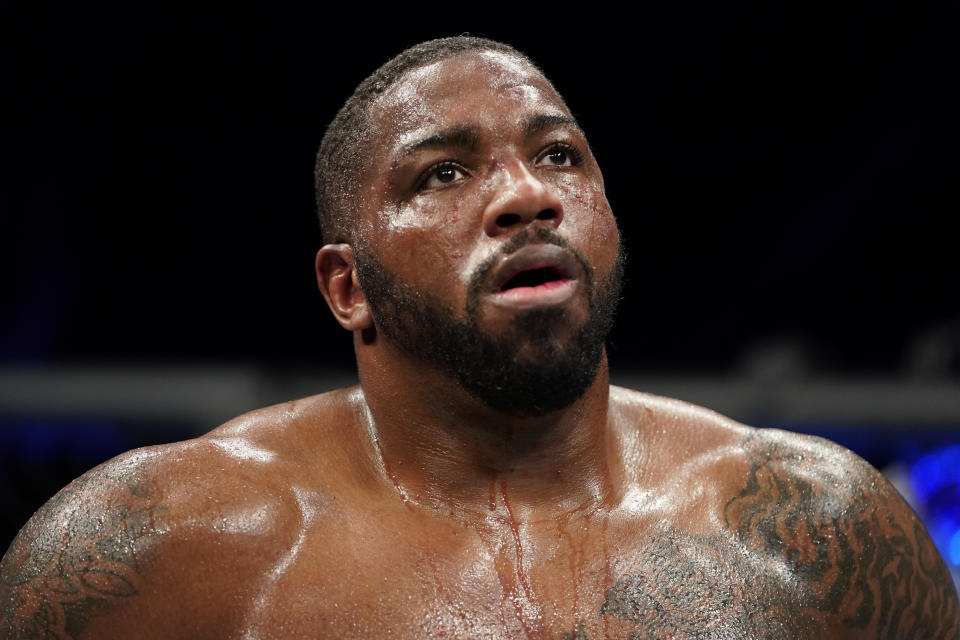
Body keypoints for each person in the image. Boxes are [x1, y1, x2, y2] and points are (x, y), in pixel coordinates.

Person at [1, 36, 957, 640]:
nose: (528, 195)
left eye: (558, 156)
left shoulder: (818, 530)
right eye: (444, 175)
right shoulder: (159, 552)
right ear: (347, 288)